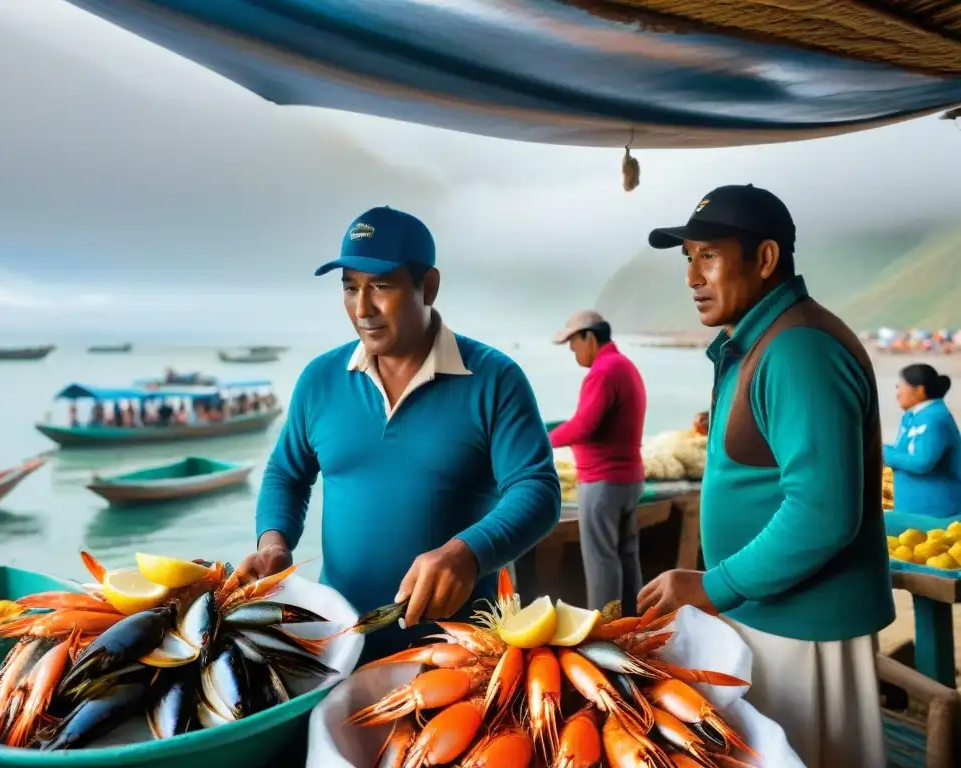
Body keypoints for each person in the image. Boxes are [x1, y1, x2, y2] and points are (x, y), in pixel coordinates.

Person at [637, 184, 894, 767]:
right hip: (768, 608)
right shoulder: (759, 341)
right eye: (687, 258)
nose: (692, 277)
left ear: (767, 259)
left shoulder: (798, 349)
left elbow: (821, 513)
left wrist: (712, 585)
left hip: (805, 626)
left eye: (709, 255)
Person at [239, 206, 560, 663]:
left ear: (428, 287)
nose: (362, 308)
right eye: (350, 288)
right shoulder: (319, 379)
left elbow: (537, 488)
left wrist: (467, 553)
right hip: (337, 642)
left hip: (462, 653)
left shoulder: (495, 378)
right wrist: (273, 543)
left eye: (381, 287)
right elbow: (286, 474)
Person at [548, 310, 647, 615]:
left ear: (589, 337)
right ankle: (635, 628)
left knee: (601, 561)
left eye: (573, 342)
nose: (571, 349)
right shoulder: (624, 366)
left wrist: (541, 439)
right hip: (629, 480)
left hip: (603, 483)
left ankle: (604, 638)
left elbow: (583, 425)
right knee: (626, 557)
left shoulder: (603, 372)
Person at [884, 363, 961, 517]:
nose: (897, 394)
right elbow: (902, 452)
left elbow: (922, 462)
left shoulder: (935, 418)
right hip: (907, 504)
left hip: (933, 510)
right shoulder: (914, 416)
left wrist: (883, 452)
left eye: (900, 388)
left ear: (919, 390)